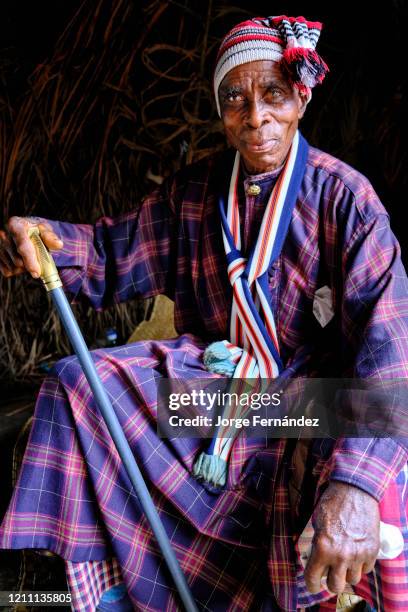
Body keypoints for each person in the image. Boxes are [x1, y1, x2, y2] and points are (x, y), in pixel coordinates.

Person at [0, 15, 407, 612]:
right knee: (76, 385)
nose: (255, 116)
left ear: (299, 99)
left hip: (310, 402)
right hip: (214, 392)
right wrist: (45, 238)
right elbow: (113, 255)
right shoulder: (194, 192)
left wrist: (357, 482)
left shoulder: (345, 199)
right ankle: (100, 588)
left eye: (272, 94)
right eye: (234, 99)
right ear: (220, 112)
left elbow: (389, 349)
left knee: (361, 473)